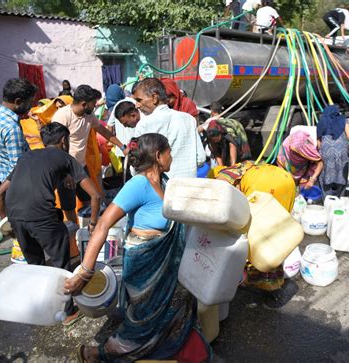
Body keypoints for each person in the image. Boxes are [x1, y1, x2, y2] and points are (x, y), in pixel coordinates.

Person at [64, 133, 210, 362]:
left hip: (168, 265)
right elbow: (103, 224)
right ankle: (99, 353)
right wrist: (85, 270)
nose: (172, 156)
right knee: (143, 319)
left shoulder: (165, 182)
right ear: (158, 155)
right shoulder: (138, 185)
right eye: (169, 151)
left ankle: (171, 349)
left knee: (175, 309)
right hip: (145, 265)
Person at [0, 122, 100, 325]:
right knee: (61, 266)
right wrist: (94, 224)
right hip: (42, 217)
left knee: (35, 265)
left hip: (16, 217)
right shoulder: (65, 157)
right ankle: (68, 313)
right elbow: (95, 195)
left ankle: (39, 308)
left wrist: (6, 221)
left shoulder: (27, 156)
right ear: (64, 141)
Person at [214, 160, 295, 291]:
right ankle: (273, 282)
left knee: (256, 237)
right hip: (287, 181)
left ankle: (257, 280)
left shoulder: (220, 179)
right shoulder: (245, 165)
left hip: (263, 188)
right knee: (276, 234)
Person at [52, 85, 128, 223]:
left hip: (81, 166)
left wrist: (122, 147)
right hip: (65, 169)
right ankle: (74, 233)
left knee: (92, 198)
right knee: (69, 206)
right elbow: (55, 147)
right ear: (84, 104)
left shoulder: (88, 115)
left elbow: (104, 132)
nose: (96, 106)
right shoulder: (62, 116)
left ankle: (90, 228)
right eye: (94, 103)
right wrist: (64, 173)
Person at [133, 78, 206, 178]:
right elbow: (201, 158)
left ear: (154, 98)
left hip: (161, 188)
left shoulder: (144, 125)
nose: (137, 106)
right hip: (189, 186)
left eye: (139, 100)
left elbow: (136, 166)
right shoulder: (188, 119)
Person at [0, 78, 36, 185]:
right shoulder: (11, 127)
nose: (31, 107)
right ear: (18, 102)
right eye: (29, 102)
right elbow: (17, 168)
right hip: (9, 189)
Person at [316, 104, 349, 197]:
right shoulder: (343, 120)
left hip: (326, 150)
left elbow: (318, 140)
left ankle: (327, 198)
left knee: (326, 173)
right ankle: (339, 197)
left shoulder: (321, 122)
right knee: (342, 172)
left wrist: (320, 153)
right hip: (342, 151)